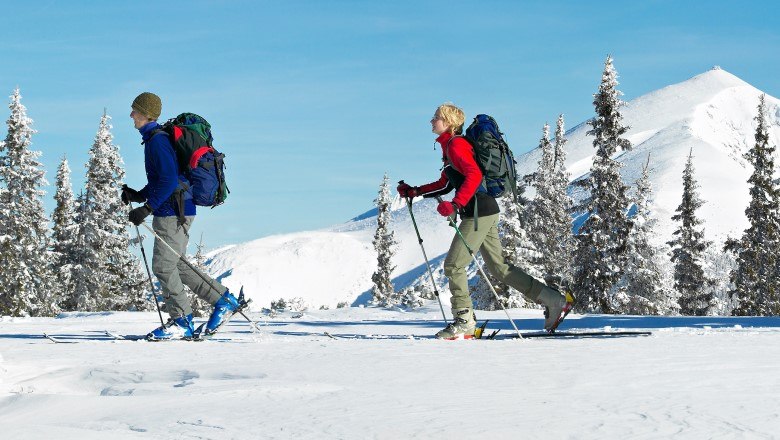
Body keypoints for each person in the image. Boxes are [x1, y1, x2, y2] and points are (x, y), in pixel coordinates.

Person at [397, 102, 573, 339]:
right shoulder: (450, 146)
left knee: (453, 266)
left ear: (448, 122)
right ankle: (554, 300)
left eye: (436, 117)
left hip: (479, 212)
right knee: (500, 268)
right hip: (484, 210)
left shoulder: (457, 145)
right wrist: (415, 191)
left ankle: (464, 321)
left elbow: (474, 175)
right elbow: (446, 182)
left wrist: (456, 204)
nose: (432, 120)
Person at [123, 92, 241, 340]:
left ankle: (182, 321)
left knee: (164, 267)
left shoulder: (157, 141)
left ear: (146, 114)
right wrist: (138, 195)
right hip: (176, 208)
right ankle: (223, 300)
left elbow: (168, 181)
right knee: (176, 265)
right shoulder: (155, 139)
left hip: (173, 211)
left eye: (135, 111)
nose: (131, 115)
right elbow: (163, 180)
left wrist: (147, 208)